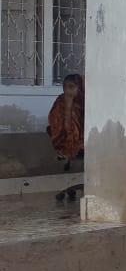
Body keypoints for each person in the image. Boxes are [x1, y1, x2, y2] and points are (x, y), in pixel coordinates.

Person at [47, 73, 85, 202]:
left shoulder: (86, 101)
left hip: (86, 141)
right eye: (65, 87)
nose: (68, 91)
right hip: (65, 142)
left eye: (72, 87)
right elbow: (62, 130)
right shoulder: (61, 102)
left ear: (80, 88)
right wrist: (68, 106)